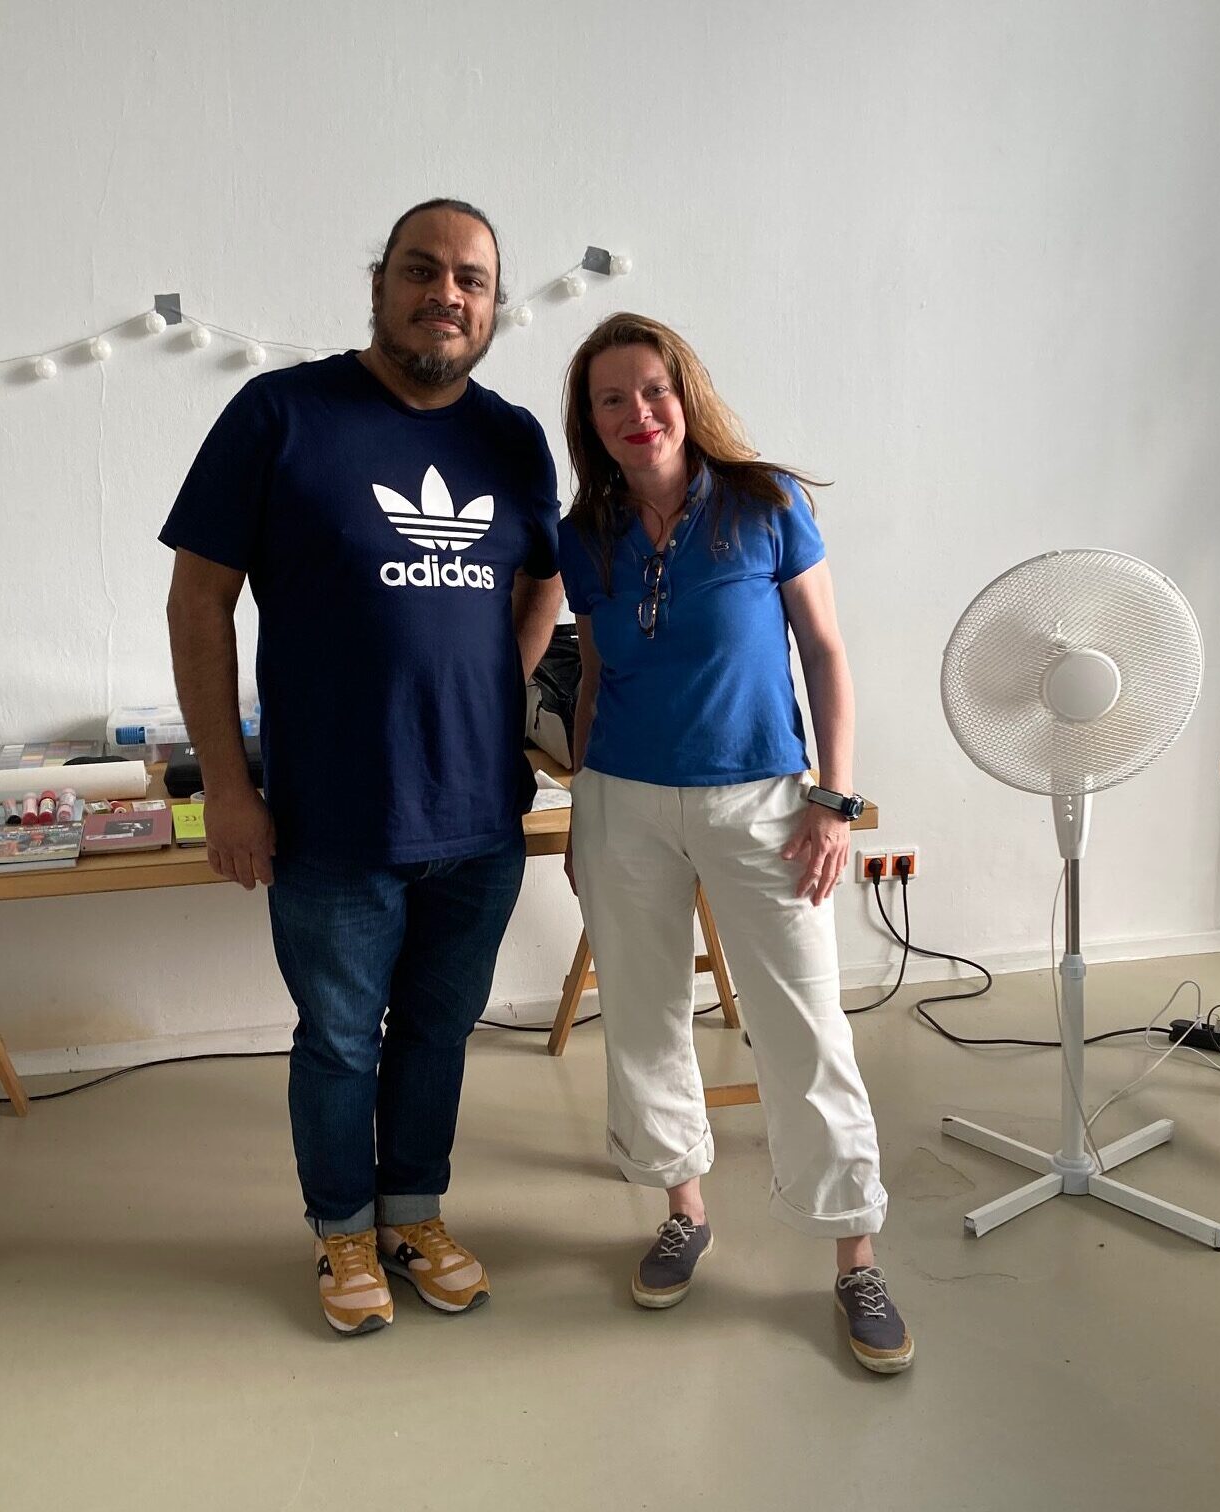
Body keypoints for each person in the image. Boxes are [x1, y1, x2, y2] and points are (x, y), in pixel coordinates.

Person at [161, 199, 563, 1336]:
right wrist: (229, 786)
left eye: (472, 280)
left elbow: (541, 582)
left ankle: (414, 1213)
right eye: (424, 271)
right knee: (340, 1036)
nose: (448, 294)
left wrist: (497, 694)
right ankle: (342, 1229)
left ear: (491, 305)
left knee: (440, 1030)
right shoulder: (279, 414)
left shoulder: (513, 437)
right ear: (380, 282)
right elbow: (201, 599)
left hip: (478, 812)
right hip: (331, 813)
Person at [556, 313, 913, 1374]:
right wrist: (581, 805)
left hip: (763, 803)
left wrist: (834, 800)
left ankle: (854, 1255)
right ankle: (683, 1209)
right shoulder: (588, 533)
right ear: (591, 421)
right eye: (610, 399)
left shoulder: (766, 504)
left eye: (653, 390)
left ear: (687, 393)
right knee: (645, 1019)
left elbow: (827, 654)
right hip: (622, 801)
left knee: (805, 1032)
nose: (637, 414)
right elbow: (590, 676)